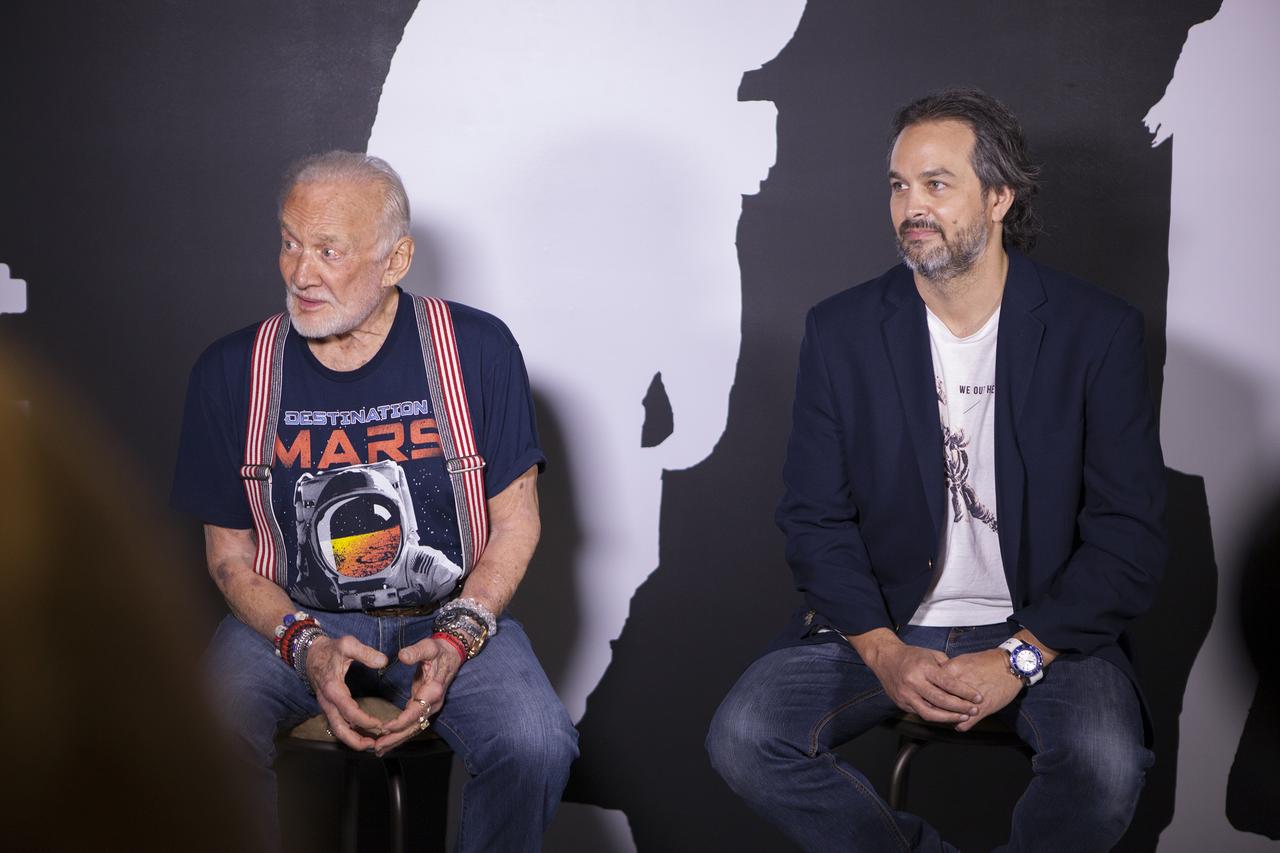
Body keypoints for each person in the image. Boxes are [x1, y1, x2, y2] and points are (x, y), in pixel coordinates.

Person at [707, 88, 1166, 852]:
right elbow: (814, 517)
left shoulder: (1097, 332)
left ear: (998, 197)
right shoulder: (842, 331)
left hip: (1047, 632)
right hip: (889, 620)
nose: (910, 206)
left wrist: (1021, 655)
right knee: (746, 735)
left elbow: (1130, 537)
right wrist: (883, 649)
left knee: (1106, 763)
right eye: (898, 185)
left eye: (936, 184)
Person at [171, 151, 577, 852]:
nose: (300, 273)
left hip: (448, 611)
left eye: (329, 250)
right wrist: (306, 644)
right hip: (287, 616)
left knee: (537, 741)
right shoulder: (232, 370)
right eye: (290, 243)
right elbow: (230, 555)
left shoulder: (476, 349)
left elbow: (516, 520)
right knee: (201, 736)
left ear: (396, 260)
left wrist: (458, 636)